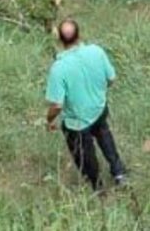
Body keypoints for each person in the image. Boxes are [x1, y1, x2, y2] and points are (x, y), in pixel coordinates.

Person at [46, 19, 126, 190]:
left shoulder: (58, 68)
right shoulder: (96, 51)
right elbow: (111, 79)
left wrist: (49, 120)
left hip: (77, 122)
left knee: (85, 154)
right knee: (104, 135)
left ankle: (98, 187)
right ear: (79, 35)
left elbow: (57, 105)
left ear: (59, 39)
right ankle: (118, 172)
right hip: (99, 108)